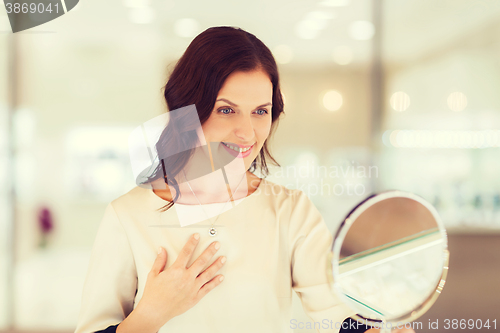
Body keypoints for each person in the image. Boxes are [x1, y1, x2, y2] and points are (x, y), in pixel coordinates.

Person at [74, 26, 408, 333]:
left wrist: (379, 328)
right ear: (186, 110)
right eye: (226, 109)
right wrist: (151, 314)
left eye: (261, 111)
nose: (248, 132)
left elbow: (339, 316)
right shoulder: (128, 215)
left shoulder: (290, 211)